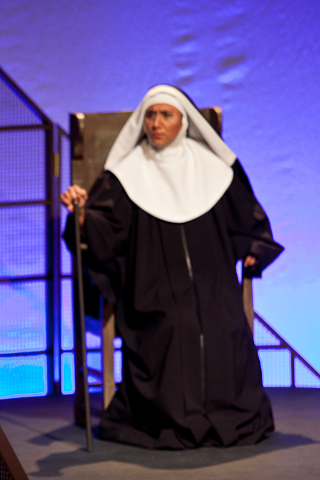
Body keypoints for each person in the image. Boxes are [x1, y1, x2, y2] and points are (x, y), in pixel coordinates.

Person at [61, 85, 283, 450]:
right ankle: (169, 420)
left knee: (223, 324)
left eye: (166, 115)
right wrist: (83, 216)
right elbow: (105, 228)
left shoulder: (214, 168)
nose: (156, 123)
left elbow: (247, 217)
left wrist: (255, 247)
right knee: (173, 324)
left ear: (184, 121)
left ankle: (229, 417)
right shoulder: (126, 173)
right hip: (152, 284)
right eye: (150, 115)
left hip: (213, 280)